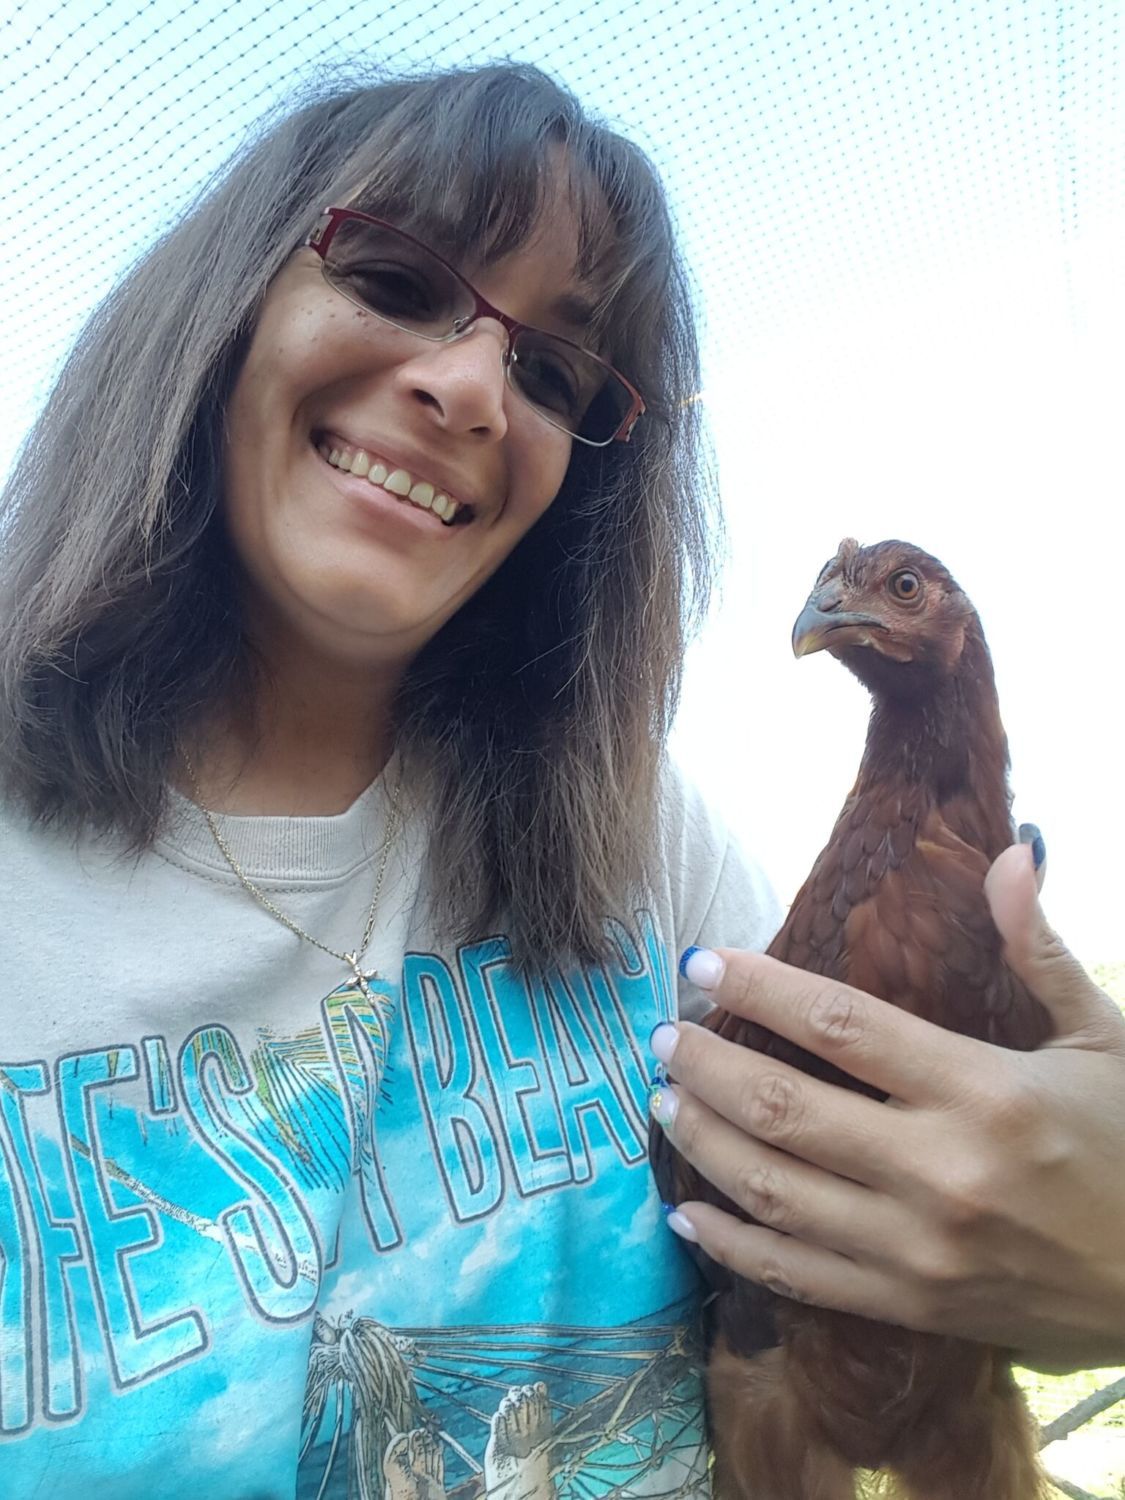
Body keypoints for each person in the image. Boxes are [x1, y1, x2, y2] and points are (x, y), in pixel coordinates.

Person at [0, 58, 1120, 1500]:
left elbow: (897, 1286)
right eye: (395, 281)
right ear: (223, 300)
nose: (471, 387)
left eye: (549, 374)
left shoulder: (642, 844)